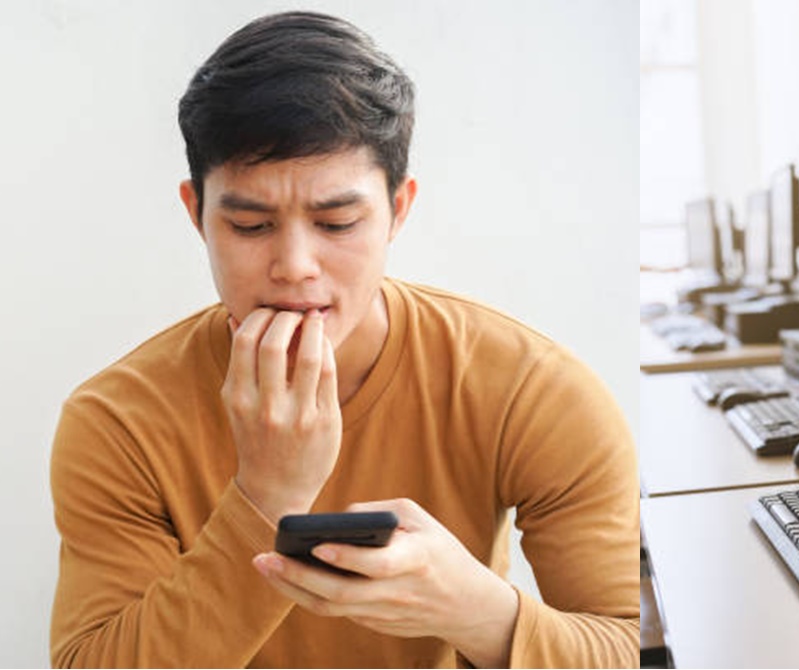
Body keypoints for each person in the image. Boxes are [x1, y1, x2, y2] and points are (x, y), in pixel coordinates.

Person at [48, 11, 639, 668]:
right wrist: (266, 493)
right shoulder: (117, 420)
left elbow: (622, 646)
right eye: (250, 226)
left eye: (337, 222)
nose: (295, 264)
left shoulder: (532, 389)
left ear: (398, 210)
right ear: (197, 215)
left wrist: (476, 610)